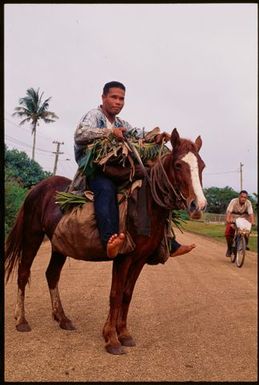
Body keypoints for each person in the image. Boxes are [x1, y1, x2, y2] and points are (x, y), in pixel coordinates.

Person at [74, 80, 196, 259]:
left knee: (151, 186)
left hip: (118, 169)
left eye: (121, 99)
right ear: (103, 97)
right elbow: (80, 134)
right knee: (106, 189)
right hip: (96, 170)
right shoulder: (94, 115)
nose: (118, 102)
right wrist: (109, 133)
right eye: (114, 97)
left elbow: (138, 133)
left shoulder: (120, 122)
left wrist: (156, 136)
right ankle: (110, 240)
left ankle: (168, 242)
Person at [225, 190, 255, 256]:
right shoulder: (233, 201)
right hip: (233, 217)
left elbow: (251, 214)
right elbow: (229, 212)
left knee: (247, 231)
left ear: (246, 198)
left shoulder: (248, 203)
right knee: (228, 233)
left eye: (245, 197)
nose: (243, 199)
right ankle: (229, 248)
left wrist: (252, 222)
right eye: (242, 197)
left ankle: (244, 244)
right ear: (239, 197)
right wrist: (228, 220)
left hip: (243, 218)